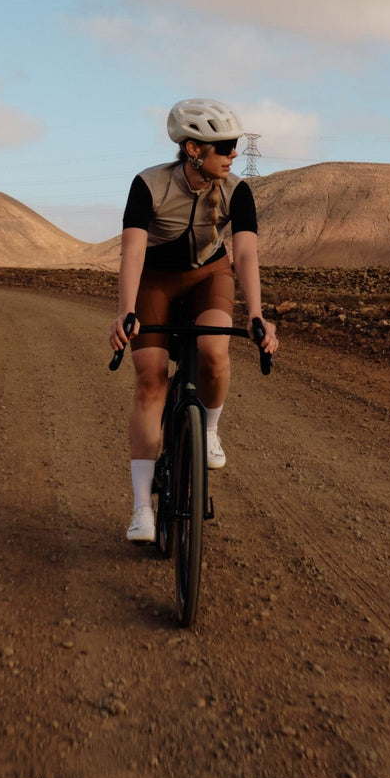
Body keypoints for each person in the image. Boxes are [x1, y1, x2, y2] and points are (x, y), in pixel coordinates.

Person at [109, 97, 279, 543]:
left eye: (235, 146)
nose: (233, 155)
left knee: (214, 352)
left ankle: (209, 431)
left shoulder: (237, 190)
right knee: (150, 378)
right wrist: (126, 311)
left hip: (209, 274)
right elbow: (131, 252)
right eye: (224, 147)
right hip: (156, 280)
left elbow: (244, 253)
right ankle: (142, 507)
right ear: (192, 150)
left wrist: (257, 314)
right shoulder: (148, 185)